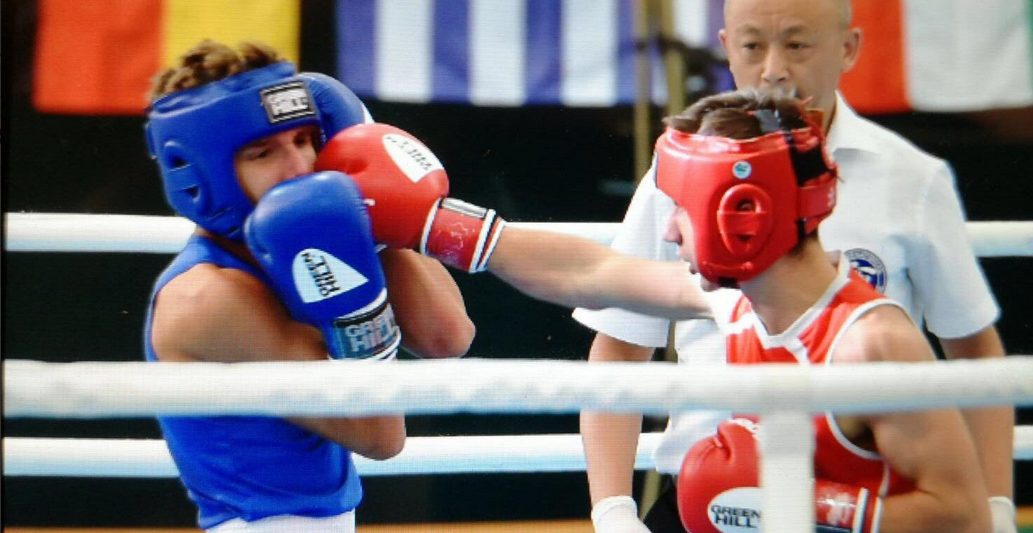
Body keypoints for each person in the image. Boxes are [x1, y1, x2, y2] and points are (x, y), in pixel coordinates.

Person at [319, 89, 992, 533]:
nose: (669, 234)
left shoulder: (871, 344)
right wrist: (438, 228)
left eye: (682, 213)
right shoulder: (731, 303)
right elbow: (593, 270)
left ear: (743, 217)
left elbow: (962, 513)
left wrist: (803, 504)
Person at [571, 0, 1014, 533]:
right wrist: (613, 513)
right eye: (753, 45)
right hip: (703, 496)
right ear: (727, 50)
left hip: (862, 501)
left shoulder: (912, 179)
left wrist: (997, 508)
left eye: (797, 43)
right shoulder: (679, 169)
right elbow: (620, 344)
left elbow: (976, 353)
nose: (774, 68)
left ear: (848, 47)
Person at [143, 40, 474, 531]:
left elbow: (447, 337)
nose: (300, 166)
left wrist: (374, 216)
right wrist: (356, 284)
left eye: (304, 140)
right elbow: (379, 436)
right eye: (263, 152)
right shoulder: (208, 297)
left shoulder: (295, 252)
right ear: (202, 175)